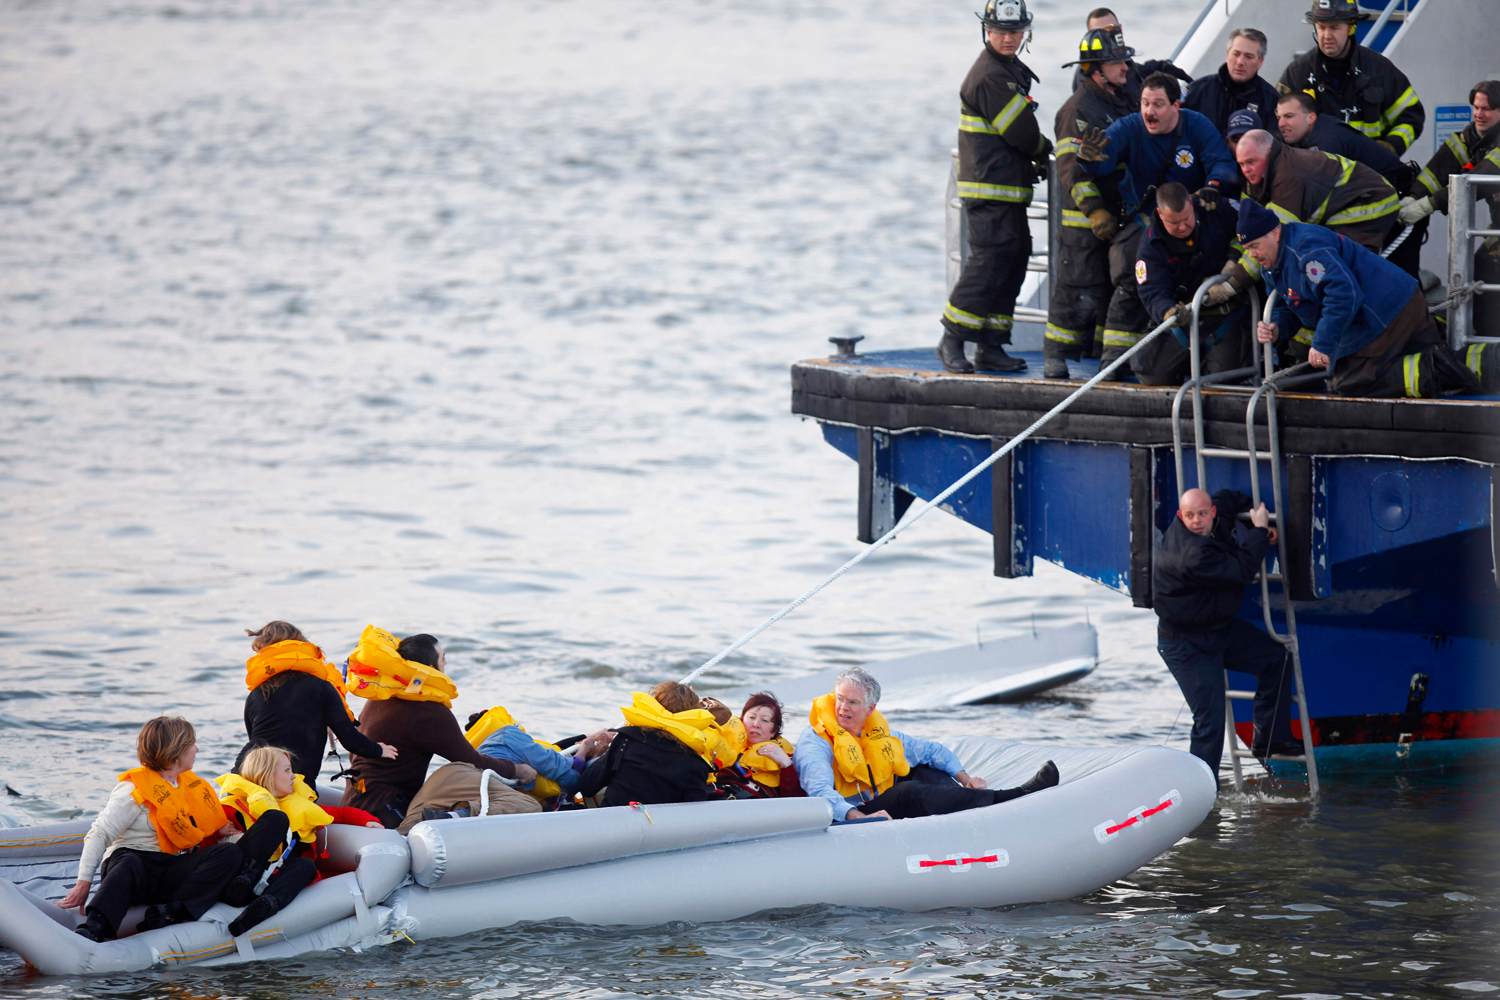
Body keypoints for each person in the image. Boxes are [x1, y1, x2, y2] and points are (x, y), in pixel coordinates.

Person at [1075, 72, 1238, 375]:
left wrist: (1215, 184)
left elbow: (1223, 163)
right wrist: (1089, 160)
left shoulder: (1197, 125)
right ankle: (1113, 360)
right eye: (1145, 103)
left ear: (1176, 105)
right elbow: (1103, 157)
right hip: (1146, 220)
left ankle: (1195, 353)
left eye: (1158, 104)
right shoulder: (1129, 127)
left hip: (1193, 218)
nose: (1149, 111)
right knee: (1126, 268)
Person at [1239, 198, 1479, 397]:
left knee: (1351, 382)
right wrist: (1277, 329)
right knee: (1436, 357)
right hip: (1392, 305)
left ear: (1274, 232)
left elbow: (1343, 295)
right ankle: (1475, 365)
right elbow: (1288, 305)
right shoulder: (1271, 266)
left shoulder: (1305, 249)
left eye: (1254, 246)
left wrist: (1322, 344)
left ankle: (1439, 372)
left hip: (1386, 311)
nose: (1252, 255)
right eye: (1247, 249)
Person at [938, 0, 1051, 375]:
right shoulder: (990, 75)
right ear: (987, 31)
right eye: (1001, 31)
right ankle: (952, 339)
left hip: (1005, 186)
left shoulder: (1006, 68)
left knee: (1014, 257)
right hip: (989, 189)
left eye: (1015, 31)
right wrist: (1043, 150)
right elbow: (1021, 132)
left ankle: (991, 346)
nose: (1008, 38)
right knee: (989, 261)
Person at [1153, 488, 1298, 773]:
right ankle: (1203, 793)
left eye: (1203, 514)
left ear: (1212, 513)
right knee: (1210, 721)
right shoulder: (1191, 553)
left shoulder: (1216, 518)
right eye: (1190, 516)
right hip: (1186, 644)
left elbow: (1228, 497)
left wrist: (1255, 517)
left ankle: (1271, 740)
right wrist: (1258, 531)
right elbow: (1242, 570)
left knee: (1275, 658)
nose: (1197, 521)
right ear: (1181, 517)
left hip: (1218, 628)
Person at [794, 667, 1058, 821]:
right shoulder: (816, 740)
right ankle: (1010, 798)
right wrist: (859, 819)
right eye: (840, 699)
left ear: (870, 708)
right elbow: (818, 791)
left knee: (927, 770)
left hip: (876, 800)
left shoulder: (874, 732)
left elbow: (932, 751)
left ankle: (967, 811)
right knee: (909, 791)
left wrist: (965, 778)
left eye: (853, 702)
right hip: (852, 815)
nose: (843, 708)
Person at [61, 717, 241, 942]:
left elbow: (200, 825)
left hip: (170, 868)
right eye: (191, 744)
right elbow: (99, 834)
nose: (197, 749)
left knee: (228, 854)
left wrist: (223, 832)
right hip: (134, 868)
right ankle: (93, 928)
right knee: (129, 862)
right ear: (176, 750)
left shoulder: (186, 785)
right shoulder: (133, 790)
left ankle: (172, 913)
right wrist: (83, 883)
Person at [340, 628, 536, 828]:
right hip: (386, 812)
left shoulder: (381, 696)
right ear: (431, 667)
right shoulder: (428, 711)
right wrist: (517, 770)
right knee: (460, 772)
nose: (446, 663)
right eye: (443, 657)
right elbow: (471, 761)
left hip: (354, 802)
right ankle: (455, 817)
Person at [1044, 26, 1136, 378]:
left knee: (1108, 288)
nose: (1126, 67)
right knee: (1075, 289)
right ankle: (1055, 355)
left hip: (1118, 218)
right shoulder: (1077, 111)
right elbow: (1071, 171)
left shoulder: (1121, 100)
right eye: (1118, 62)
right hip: (1083, 226)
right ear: (1097, 70)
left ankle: (1105, 358)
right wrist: (1095, 211)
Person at [215, 746, 380, 937]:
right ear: (266, 775)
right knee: (274, 822)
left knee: (306, 866)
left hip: (270, 883)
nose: (294, 776)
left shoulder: (298, 806)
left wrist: (370, 821)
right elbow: (206, 848)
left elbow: (342, 813)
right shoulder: (230, 810)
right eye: (287, 770)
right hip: (236, 882)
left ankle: (261, 909)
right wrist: (220, 831)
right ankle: (243, 886)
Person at [1399, 80, 1500, 352]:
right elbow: (1438, 168)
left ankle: (1489, 348)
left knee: (1488, 274)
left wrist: (1428, 205)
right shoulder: (1470, 138)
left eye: (1487, 109)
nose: (1479, 114)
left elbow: (1479, 180)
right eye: (1476, 107)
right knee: (1483, 270)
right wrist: (1413, 196)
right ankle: (1483, 347)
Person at [235, 621, 397, 788]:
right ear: (303, 645)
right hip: (294, 786)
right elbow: (350, 740)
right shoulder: (321, 687)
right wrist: (379, 750)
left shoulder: (256, 694)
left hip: (251, 779)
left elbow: (255, 740)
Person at [1129, 182, 1258, 385]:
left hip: (1225, 318)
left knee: (1222, 382)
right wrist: (1168, 312)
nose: (1182, 227)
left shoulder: (1215, 210)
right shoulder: (1150, 246)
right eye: (1174, 222)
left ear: (1191, 203)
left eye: (1186, 219)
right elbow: (1152, 291)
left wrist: (1233, 262)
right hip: (1185, 321)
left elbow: (1255, 223)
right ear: (1160, 214)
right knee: (1154, 375)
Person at [1277, 0, 1423, 157]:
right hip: (1317, 171)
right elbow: (1277, 124)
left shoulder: (1379, 69)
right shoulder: (1297, 73)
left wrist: (1390, 147)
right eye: (1321, 27)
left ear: (1351, 27)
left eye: (1334, 28)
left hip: (1370, 171)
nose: (1327, 35)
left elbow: (1410, 117)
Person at [1235, 129, 1401, 264]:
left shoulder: (1288, 176)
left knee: (1336, 266)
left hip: (1371, 204)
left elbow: (1271, 238)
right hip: (1354, 203)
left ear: (1268, 154)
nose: (1246, 170)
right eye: (1241, 164)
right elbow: (1252, 232)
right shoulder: (1275, 168)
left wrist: (1233, 284)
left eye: (1251, 162)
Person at [576, 682, 735, 807]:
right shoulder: (696, 764)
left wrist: (584, 752)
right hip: (659, 836)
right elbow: (694, 814)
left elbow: (587, 786)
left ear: (655, 705)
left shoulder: (627, 740)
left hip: (614, 824)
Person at [467, 704, 613, 805]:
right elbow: (571, 780)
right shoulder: (510, 736)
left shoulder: (476, 752)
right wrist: (586, 750)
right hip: (527, 806)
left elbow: (554, 749)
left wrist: (585, 739)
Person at [1068, 7, 1192, 109]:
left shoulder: (1127, 62)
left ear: (1120, 28)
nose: (1106, 36)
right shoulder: (1087, 74)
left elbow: (1143, 71)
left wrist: (1185, 80)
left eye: (1110, 29)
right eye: (1099, 32)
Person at [1273, 91, 1404, 184]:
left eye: (1289, 116)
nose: (1281, 124)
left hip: (1399, 193)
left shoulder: (1328, 138)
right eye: (1279, 118)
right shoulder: (1320, 129)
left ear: (1311, 118)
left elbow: (1321, 188)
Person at [1184, 28, 1279, 137]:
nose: (1240, 62)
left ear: (1260, 62)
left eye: (1248, 57)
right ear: (1227, 55)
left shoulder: (1271, 101)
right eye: (1236, 54)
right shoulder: (1198, 91)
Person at [720, 692, 803, 798]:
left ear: (774, 731)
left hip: (759, 808)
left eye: (765, 720)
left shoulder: (789, 759)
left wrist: (786, 764)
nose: (756, 724)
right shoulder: (721, 744)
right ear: (741, 720)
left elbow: (796, 802)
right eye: (751, 717)